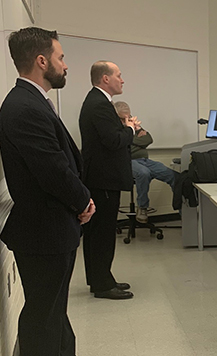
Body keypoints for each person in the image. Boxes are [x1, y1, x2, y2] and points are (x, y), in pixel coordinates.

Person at [0, 27, 106, 356]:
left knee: (55, 304)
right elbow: (53, 169)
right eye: (61, 57)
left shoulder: (33, 101)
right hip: (42, 228)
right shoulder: (24, 107)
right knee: (42, 310)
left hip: (53, 225)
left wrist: (79, 201)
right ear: (42, 61)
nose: (65, 65)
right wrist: (84, 200)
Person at [79, 61, 137, 300]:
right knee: (102, 232)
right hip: (104, 179)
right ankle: (102, 285)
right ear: (105, 78)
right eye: (119, 76)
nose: (122, 80)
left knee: (96, 232)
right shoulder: (100, 105)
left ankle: (100, 278)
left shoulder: (98, 102)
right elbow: (113, 141)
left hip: (100, 178)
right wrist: (131, 129)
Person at [114, 101, 176, 223]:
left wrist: (131, 141)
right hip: (128, 162)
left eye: (129, 117)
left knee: (173, 175)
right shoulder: (114, 128)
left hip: (145, 160)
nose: (127, 121)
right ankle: (142, 207)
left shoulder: (133, 124)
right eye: (123, 118)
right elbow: (122, 146)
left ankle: (181, 207)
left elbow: (148, 139)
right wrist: (136, 139)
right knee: (144, 173)